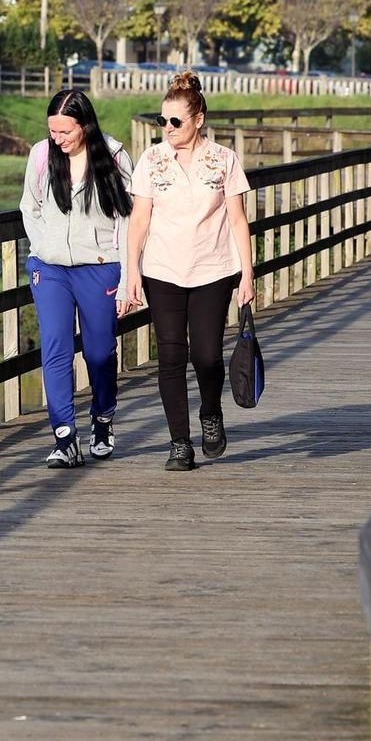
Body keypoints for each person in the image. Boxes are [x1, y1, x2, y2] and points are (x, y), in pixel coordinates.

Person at [118, 72, 256, 472]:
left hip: (213, 268)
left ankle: (211, 413)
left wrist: (247, 274)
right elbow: (138, 220)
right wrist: (132, 273)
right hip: (162, 269)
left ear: (199, 120)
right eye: (162, 121)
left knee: (208, 356)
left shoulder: (224, 160)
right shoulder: (151, 160)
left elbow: (237, 220)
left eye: (175, 121)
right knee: (171, 356)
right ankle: (180, 443)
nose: (167, 129)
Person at [21, 88, 134, 468]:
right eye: (53, 131)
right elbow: (30, 206)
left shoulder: (115, 157)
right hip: (50, 269)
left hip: (100, 266)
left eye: (65, 132)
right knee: (55, 349)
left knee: (99, 353)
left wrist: (128, 272)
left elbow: (129, 218)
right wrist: (43, 249)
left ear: (85, 125)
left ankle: (102, 420)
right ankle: (64, 437)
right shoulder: (41, 155)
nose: (58, 139)